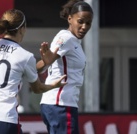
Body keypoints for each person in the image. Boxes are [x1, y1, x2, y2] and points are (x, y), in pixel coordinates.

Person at [36, 0, 93, 134]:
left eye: (88, 23)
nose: (84, 26)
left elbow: (42, 66)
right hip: (60, 104)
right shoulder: (66, 38)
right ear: (70, 19)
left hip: (59, 104)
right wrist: (46, 59)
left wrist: (45, 61)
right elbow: (47, 61)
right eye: (80, 21)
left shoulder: (74, 41)